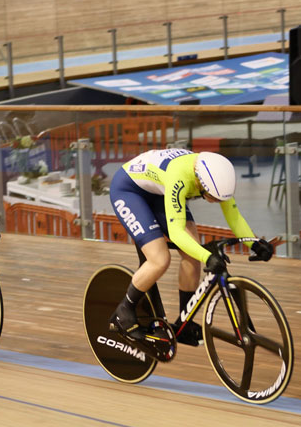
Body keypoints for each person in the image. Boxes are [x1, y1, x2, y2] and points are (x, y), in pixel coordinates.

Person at [108, 148, 273, 348]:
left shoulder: (215, 176)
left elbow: (234, 217)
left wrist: (254, 243)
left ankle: (183, 324)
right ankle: (124, 310)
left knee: (192, 252)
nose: (218, 202)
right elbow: (177, 233)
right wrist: (208, 257)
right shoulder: (181, 177)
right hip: (129, 191)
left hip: (159, 190)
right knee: (159, 259)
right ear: (201, 183)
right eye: (214, 198)